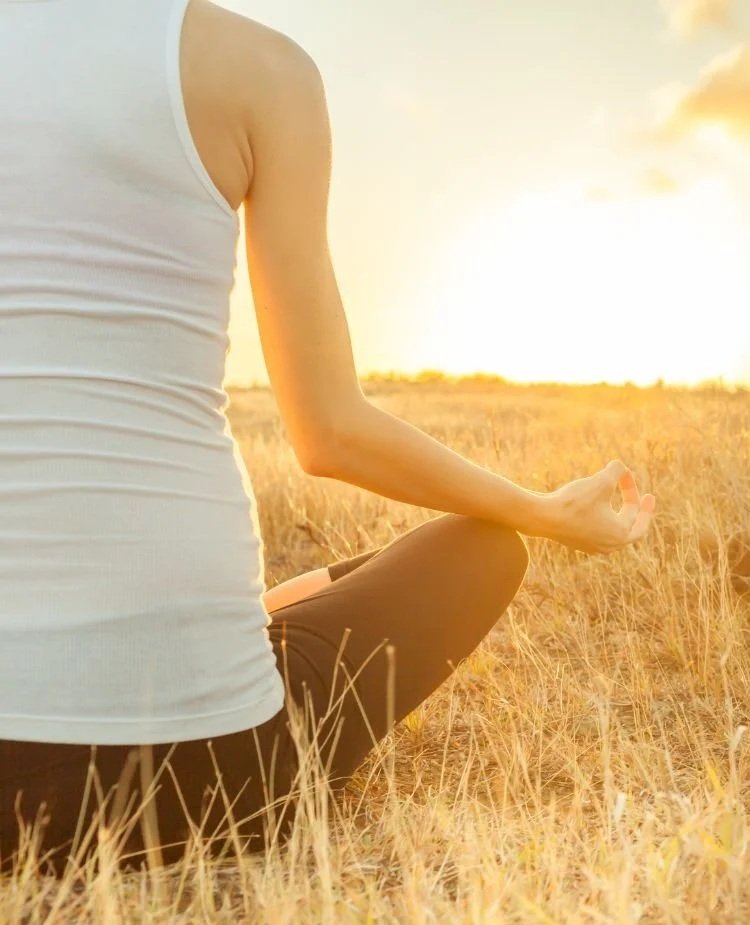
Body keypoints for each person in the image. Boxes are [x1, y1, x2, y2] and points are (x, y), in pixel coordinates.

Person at [0, 0, 655, 875]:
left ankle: (250, 619)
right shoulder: (261, 68)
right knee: (479, 551)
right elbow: (331, 431)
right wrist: (544, 510)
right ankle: (239, 627)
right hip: (214, 782)